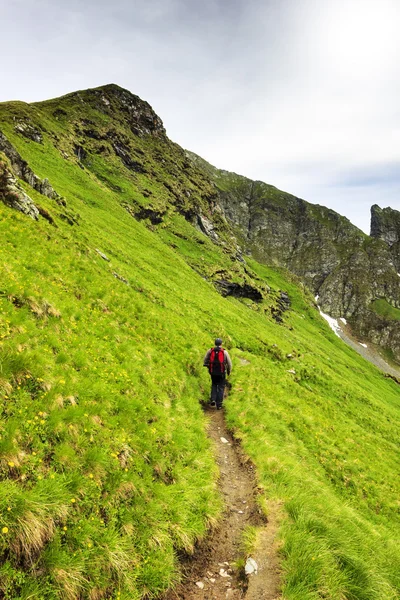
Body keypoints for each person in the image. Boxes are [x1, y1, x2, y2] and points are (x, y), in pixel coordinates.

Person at [203, 338, 232, 410]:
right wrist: (229, 371)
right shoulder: (224, 352)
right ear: (221, 344)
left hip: (213, 372)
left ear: (215, 343)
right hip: (222, 372)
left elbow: (205, 360)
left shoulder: (210, 350)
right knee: (221, 387)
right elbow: (229, 363)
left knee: (214, 385)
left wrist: (207, 365)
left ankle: (213, 399)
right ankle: (219, 404)